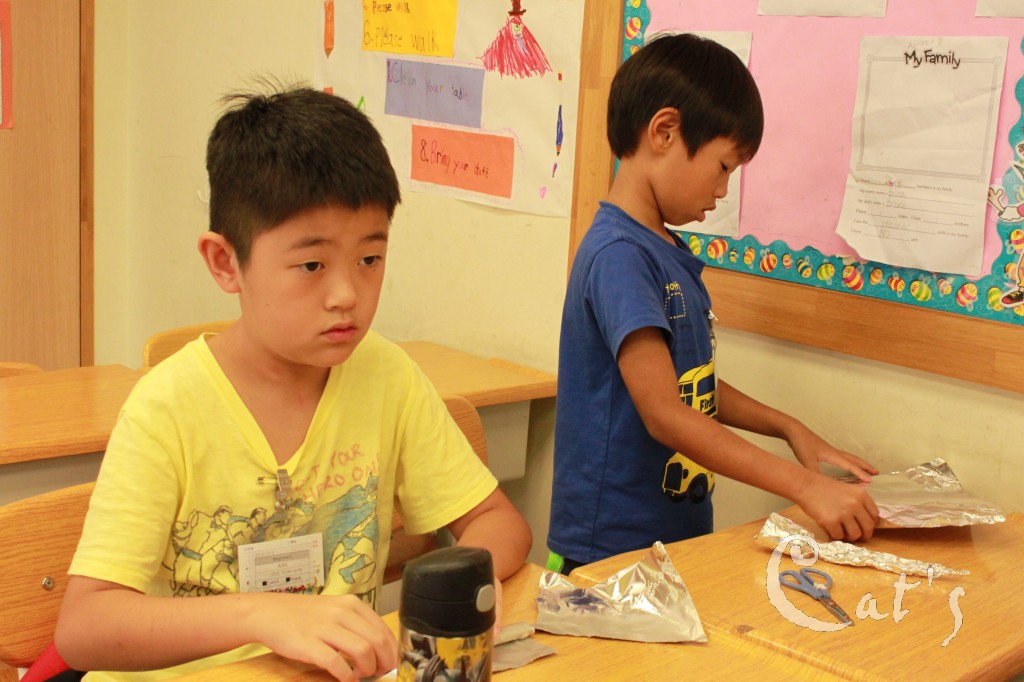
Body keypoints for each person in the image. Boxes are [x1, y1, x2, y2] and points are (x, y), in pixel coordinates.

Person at [54, 85, 532, 682]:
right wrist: (261, 615)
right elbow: (85, 627)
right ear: (226, 263)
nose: (346, 294)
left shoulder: (386, 378)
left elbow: (499, 523)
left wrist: (462, 584)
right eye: (311, 265)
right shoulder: (167, 408)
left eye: (369, 259)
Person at [546, 33, 879, 575]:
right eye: (724, 166)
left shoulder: (663, 250)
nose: (723, 190)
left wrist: (789, 427)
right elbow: (664, 413)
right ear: (665, 132)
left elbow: (687, 383)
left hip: (670, 544)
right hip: (609, 555)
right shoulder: (620, 256)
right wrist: (804, 486)